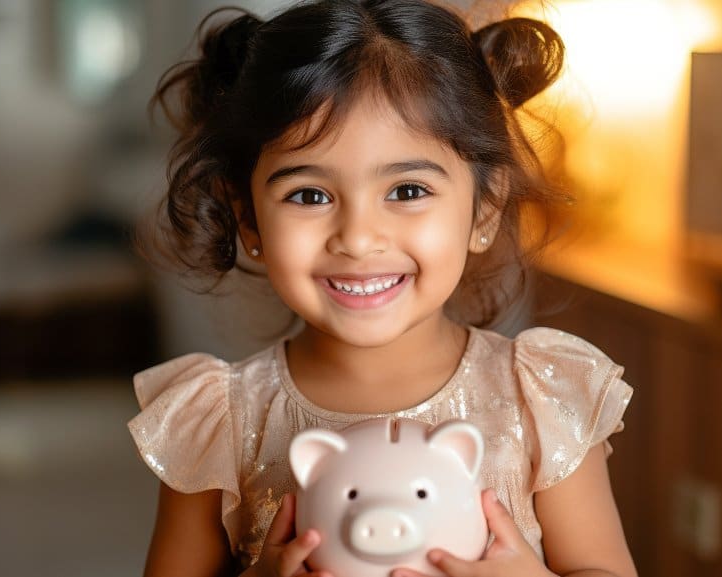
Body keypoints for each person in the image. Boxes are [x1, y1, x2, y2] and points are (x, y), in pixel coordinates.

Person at [127, 1, 638, 576]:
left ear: (485, 209)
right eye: (309, 196)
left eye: (408, 190)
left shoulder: (539, 397)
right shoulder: (219, 421)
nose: (359, 238)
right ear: (248, 219)